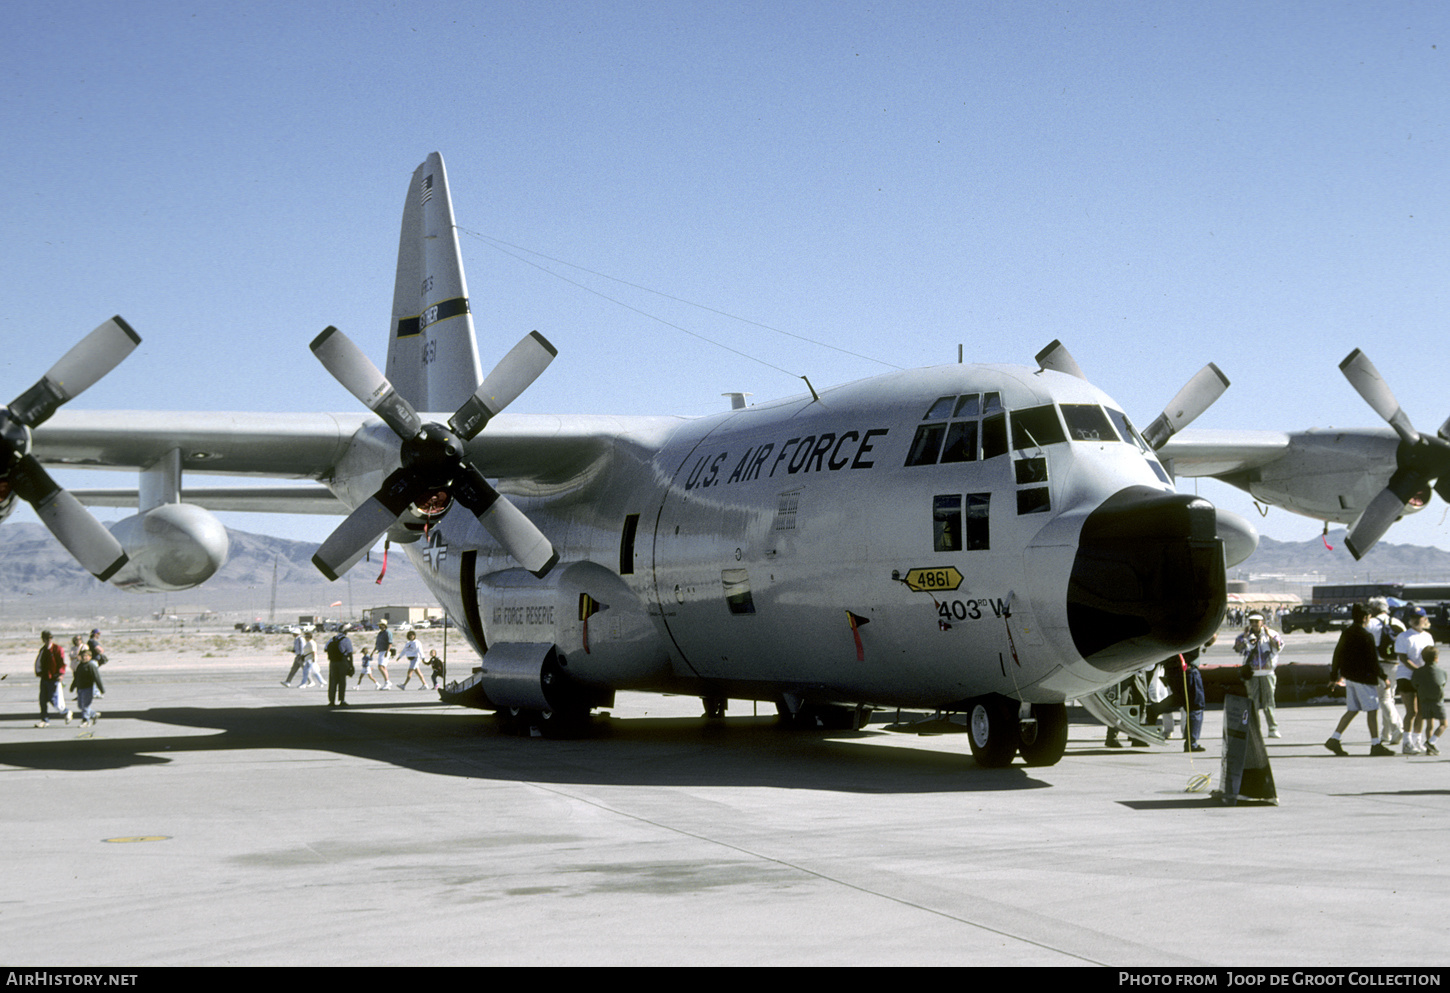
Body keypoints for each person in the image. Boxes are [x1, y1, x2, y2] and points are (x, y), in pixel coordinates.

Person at [1325, 604, 1395, 756]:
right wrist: (1383, 677)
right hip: (1364, 678)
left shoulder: (1347, 633)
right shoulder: (1366, 636)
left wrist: (1334, 676)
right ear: (1365, 618)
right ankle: (1376, 744)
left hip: (1349, 678)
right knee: (1372, 710)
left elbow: (1337, 654)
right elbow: (1373, 661)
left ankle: (1334, 739)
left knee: (1352, 709)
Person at [1147, 636, 1213, 752]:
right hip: (1187, 670)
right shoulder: (1193, 627)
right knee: (1196, 706)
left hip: (1171, 670)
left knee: (1179, 699)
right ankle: (1191, 742)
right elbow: (1210, 639)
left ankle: (1155, 709)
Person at [1235, 613, 1285, 737]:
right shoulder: (1245, 636)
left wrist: (1269, 635)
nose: (1254, 624)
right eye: (1252, 621)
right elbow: (1238, 648)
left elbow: (1279, 646)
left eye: (1257, 621)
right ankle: (1255, 729)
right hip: (1252, 673)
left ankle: (1272, 728)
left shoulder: (1271, 634)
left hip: (1267, 672)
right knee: (1253, 702)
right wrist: (1245, 638)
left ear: (1262, 622)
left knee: (1269, 702)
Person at [1394, 607, 1434, 754]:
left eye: (1420, 617)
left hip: (1423, 678)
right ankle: (1406, 743)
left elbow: (1431, 656)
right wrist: (1418, 671)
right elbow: (1403, 659)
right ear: (1409, 620)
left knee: (1422, 712)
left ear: (1425, 619)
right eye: (1413, 617)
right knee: (1412, 711)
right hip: (1406, 677)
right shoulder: (1404, 636)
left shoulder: (1428, 636)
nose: (1417, 620)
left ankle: (1417, 740)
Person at [1365, 597, 1403, 745]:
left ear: (1374, 609)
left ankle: (1397, 727)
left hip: (1380, 665)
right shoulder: (1397, 622)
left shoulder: (1372, 624)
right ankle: (1386, 734)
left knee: (1384, 699)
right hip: (1396, 664)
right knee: (1389, 698)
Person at [1411, 644, 1445, 756]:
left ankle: (1430, 749)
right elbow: (1442, 684)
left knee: (1429, 725)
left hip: (1424, 701)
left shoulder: (1418, 672)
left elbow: (1414, 684)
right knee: (1443, 724)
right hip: (1437, 701)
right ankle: (1431, 742)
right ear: (1436, 658)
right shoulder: (1441, 672)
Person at [34, 631, 71, 727]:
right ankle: (45, 720)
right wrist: (39, 673)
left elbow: (62, 663)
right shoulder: (43, 650)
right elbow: (38, 663)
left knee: (53, 699)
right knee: (42, 700)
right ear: (43, 639)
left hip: (54, 678)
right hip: (45, 677)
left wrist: (61, 674)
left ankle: (66, 712)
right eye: (46, 638)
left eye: (50, 638)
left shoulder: (57, 649)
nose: (48, 640)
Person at [69, 647, 105, 727]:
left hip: (88, 688)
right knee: (80, 706)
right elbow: (76, 678)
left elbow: (97, 677)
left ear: (90, 657)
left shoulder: (91, 666)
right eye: (82, 656)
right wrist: (72, 686)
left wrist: (101, 689)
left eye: (86, 656)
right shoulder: (80, 666)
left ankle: (86, 721)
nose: (84, 657)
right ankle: (93, 714)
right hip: (80, 689)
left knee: (85, 705)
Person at [325, 627, 355, 707]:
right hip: (342, 661)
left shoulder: (332, 639)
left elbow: (326, 649)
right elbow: (350, 653)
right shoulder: (346, 640)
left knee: (333, 681)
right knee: (342, 681)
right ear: (345, 632)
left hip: (333, 662)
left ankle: (331, 701)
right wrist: (351, 665)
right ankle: (342, 700)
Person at [373, 619, 394, 690]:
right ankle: (387, 682)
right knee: (383, 667)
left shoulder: (387, 633)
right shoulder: (380, 633)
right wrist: (373, 651)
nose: (379, 626)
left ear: (384, 625)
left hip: (385, 651)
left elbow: (390, 643)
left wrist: (387, 652)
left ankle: (387, 681)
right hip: (380, 651)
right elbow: (377, 643)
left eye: (381, 625)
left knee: (380, 666)